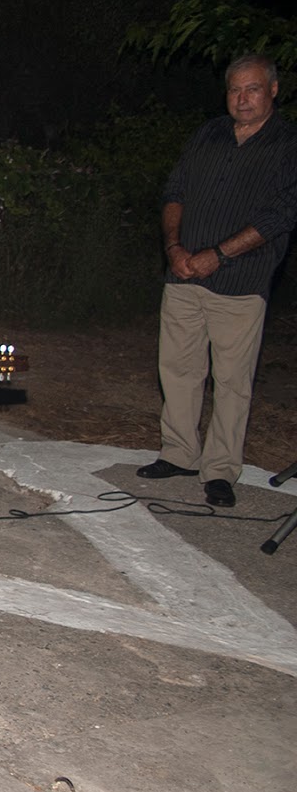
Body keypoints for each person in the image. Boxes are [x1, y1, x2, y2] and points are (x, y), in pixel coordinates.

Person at [136, 53, 297, 509]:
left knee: (232, 381)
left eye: (253, 89)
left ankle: (220, 470)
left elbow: (281, 214)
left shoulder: (288, 144)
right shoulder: (209, 133)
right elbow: (175, 192)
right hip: (183, 272)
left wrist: (219, 254)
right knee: (178, 369)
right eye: (234, 89)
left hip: (241, 282)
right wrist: (174, 248)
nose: (242, 99)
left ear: (273, 91)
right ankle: (179, 453)